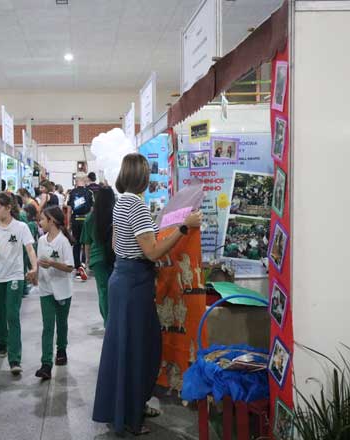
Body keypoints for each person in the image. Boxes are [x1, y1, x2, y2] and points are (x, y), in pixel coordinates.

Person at [92, 153, 202, 435]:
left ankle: (123, 410)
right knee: (140, 350)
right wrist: (183, 227)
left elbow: (118, 243)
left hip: (123, 279)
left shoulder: (121, 203)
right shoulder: (137, 206)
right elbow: (152, 251)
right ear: (143, 176)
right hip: (134, 286)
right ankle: (130, 415)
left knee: (124, 348)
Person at [0, 192, 38, 375]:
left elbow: (29, 248)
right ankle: (2, 343)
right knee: (0, 313)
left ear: (8, 208)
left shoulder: (21, 227)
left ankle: (15, 359)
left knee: (12, 315)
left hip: (15, 276)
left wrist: (34, 267)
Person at [34, 206, 75, 380]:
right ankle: (46, 364)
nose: (40, 222)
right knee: (48, 326)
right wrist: (33, 274)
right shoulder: (41, 241)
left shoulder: (63, 241)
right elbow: (38, 262)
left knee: (62, 323)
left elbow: (69, 267)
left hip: (63, 290)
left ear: (52, 221)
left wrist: (52, 263)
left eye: (42, 219)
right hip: (45, 289)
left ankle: (61, 349)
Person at [80, 187, 115, 325]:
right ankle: (116, 322)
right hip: (114, 257)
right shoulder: (116, 214)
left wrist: (88, 261)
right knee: (115, 291)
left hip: (97, 258)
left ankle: (108, 323)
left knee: (103, 291)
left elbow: (87, 243)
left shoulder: (90, 218)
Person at [66, 172, 93, 280]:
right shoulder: (89, 192)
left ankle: (77, 268)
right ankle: (84, 264)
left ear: (76, 180)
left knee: (76, 243)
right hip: (86, 219)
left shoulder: (71, 193)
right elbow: (92, 209)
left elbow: (69, 210)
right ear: (85, 180)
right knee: (86, 243)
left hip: (75, 219)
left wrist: (68, 224)